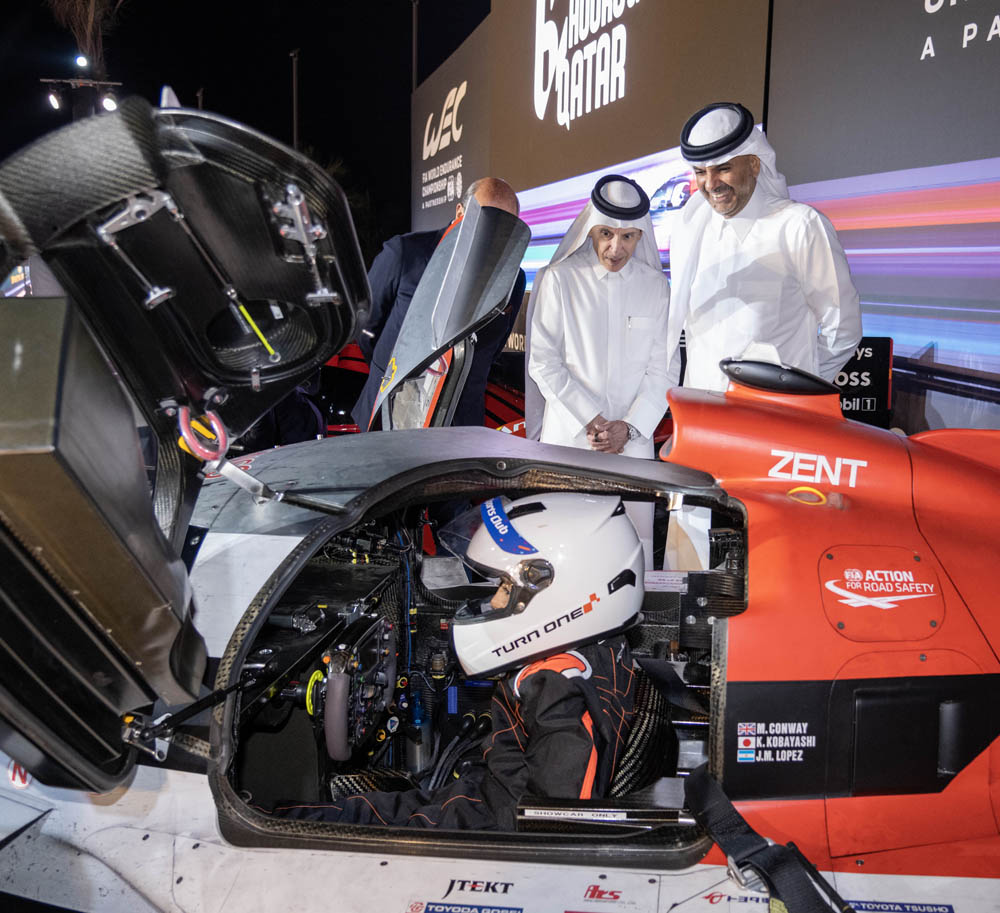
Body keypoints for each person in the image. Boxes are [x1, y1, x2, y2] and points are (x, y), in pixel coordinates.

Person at [274, 492, 640, 830]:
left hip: (483, 827)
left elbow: (551, 833)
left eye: (504, 588)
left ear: (568, 592)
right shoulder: (597, 653)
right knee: (354, 810)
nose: (496, 602)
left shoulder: (559, 692)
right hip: (483, 796)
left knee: (321, 822)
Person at [666, 101, 862, 392]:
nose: (711, 184)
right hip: (702, 420)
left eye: (723, 169)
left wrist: (796, 391)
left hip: (775, 421)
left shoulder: (799, 226)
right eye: (701, 172)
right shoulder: (690, 230)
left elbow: (843, 328)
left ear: (754, 164)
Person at [526, 175, 670, 563]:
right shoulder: (559, 279)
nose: (615, 247)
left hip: (634, 444)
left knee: (633, 555)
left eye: (628, 237)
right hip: (571, 442)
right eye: (606, 233)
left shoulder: (657, 287)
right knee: (566, 554)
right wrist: (594, 422)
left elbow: (664, 371)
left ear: (641, 237)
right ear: (592, 228)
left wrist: (629, 427)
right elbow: (543, 360)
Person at [352, 177, 526, 430]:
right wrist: (394, 374)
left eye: (504, 227)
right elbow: (367, 327)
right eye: (486, 220)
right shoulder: (404, 253)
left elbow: (494, 347)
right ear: (459, 212)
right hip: (389, 416)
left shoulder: (513, 279)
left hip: (461, 425)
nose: (493, 234)